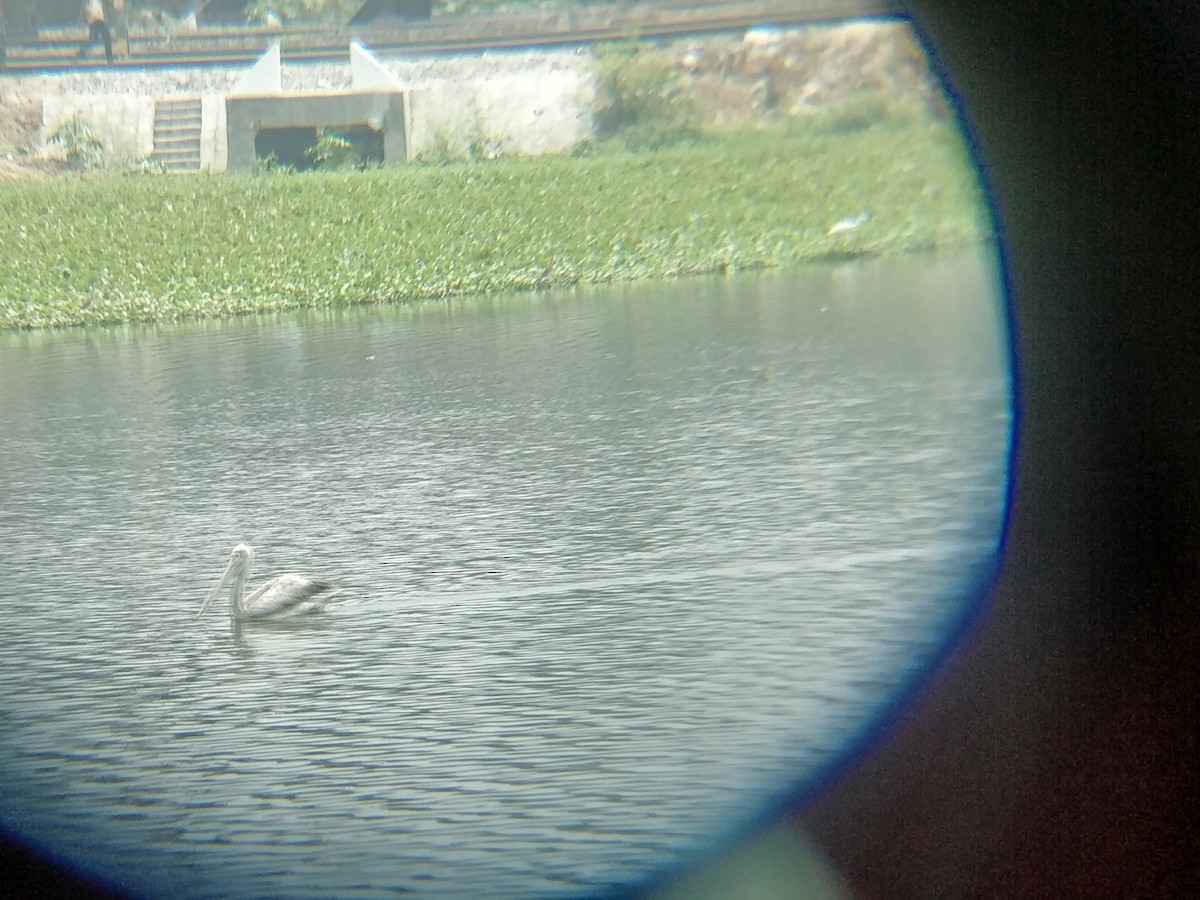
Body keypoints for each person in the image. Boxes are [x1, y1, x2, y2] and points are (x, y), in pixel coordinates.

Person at [75, 0, 113, 64]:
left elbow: (101, 11)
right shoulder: (86, 2)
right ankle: (82, 52)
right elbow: (83, 13)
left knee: (105, 38)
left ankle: (109, 58)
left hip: (99, 21)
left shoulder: (98, 2)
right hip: (93, 22)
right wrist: (81, 21)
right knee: (95, 38)